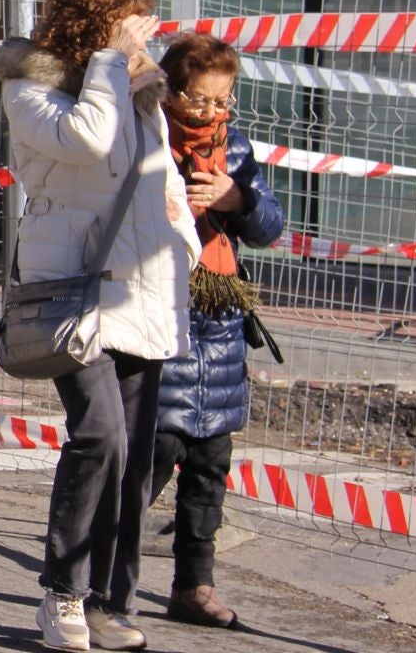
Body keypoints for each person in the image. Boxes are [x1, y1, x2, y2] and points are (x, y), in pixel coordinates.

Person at [0, 0, 200, 652]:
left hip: (142, 289)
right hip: (72, 291)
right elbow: (87, 139)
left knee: (136, 455)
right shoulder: (31, 90)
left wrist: (187, 246)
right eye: (131, 27)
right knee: (100, 434)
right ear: (94, 29)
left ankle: (114, 599)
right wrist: (112, 60)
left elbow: (163, 182)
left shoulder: (135, 93)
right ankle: (63, 594)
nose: (145, 41)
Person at [150, 33, 285, 631]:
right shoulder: (145, 139)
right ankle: (103, 580)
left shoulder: (238, 152)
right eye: (199, 100)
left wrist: (238, 197)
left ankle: (194, 586)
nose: (210, 112)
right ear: (170, 91)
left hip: (221, 322)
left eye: (221, 101)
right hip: (160, 312)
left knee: (210, 463)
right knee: (151, 455)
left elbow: (270, 226)